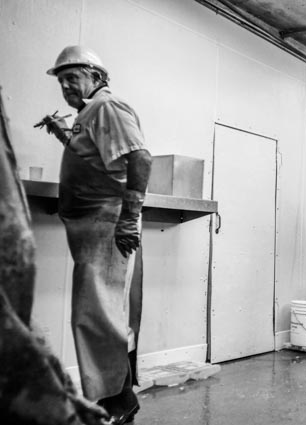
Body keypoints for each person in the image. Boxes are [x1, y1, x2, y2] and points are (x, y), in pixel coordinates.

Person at [43, 45, 152, 425]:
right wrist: (65, 136)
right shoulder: (90, 113)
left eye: (73, 77)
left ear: (96, 77)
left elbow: (140, 158)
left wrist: (128, 219)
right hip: (93, 228)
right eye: (61, 80)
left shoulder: (106, 106)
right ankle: (116, 400)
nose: (66, 86)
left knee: (97, 317)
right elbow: (99, 162)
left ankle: (117, 404)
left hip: (107, 224)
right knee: (96, 316)